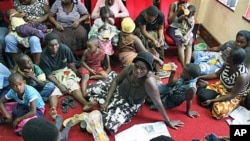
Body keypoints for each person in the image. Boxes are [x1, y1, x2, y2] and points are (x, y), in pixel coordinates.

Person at [86, 51, 184, 133]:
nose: (138, 71)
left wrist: (168, 121)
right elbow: (116, 81)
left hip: (128, 103)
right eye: (136, 67)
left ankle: (99, 105)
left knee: (108, 124)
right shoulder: (130, 67)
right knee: (90, 90)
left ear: (148, 70)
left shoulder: (149, 82)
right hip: (118, 90)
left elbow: (158, 103)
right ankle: (101, 103)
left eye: (142, 69)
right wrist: (107, 101)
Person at [39, 33, 96, 111]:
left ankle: (85, 103)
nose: (54, 47)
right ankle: (53, 109)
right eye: (51, 46)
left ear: (59, 43)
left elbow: (71, 64)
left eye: (56, 45)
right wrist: (60, 85)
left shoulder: (64, 49)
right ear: (47, 45)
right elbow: (49, 75)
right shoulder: (43, 56)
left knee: (72, 84)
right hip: (53, 75)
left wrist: (76, 74)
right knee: (53, 91)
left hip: (64, 71)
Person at [197, 47, 250, 119]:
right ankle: (213, 100)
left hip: (232, 95)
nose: (226, 55)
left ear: (231, 59)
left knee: (219, 111)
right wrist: (199, 77)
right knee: (202, 96)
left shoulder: (242, 76)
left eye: (228, 54)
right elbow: (215, 75)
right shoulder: (226, 64)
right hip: (220, 86)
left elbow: (232, 95)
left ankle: (214, 100)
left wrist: (211, 100)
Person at [4, 0, 50, 70]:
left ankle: (36, 66)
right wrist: (11, 26)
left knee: (34, 40)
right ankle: (18, 64)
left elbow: (49, 13)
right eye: (20, 1)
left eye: (24, 0)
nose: (22, 2)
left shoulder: (42, 1)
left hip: (35, 26)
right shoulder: (17, 1)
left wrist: (39, 20)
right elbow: (14, 16)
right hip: (20, 27)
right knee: (8, 39)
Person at [15, 54, 62, 119]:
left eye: (30, 60)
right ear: (21, 66)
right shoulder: (17, 74)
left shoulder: (35, 67)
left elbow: (42, 83)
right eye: (27, 63)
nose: (30, 63)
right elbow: (21, 90)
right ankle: (42, 99)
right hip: (29, 93)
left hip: (39, 89)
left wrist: (33, 77)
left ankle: (43, 102)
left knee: (50, 86)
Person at [88, 6, 120, 73]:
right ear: (100, 16)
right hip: (99, 38)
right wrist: (101, 27)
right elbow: (94, 30)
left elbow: (113, 30)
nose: (105, 19)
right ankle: (101, 64)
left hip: (107, 39)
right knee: (101, 50)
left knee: (105, 50)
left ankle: (108, 66)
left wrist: (110, 36)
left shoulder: (110, 22)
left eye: (107, 17)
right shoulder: (97, 21)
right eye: (103, 18)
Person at [167, 0, 194, 67]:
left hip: (184, 29)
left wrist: (186, 35)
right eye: (182, 2)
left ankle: (187, 64)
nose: (184, 3)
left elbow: (191, 25)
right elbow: (169, 21)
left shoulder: (189, 7)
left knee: (189, 42)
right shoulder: (174, 5)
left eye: (185, 2)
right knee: (181, 42)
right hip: (173, 28)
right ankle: (183, 65)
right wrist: (177, 11)